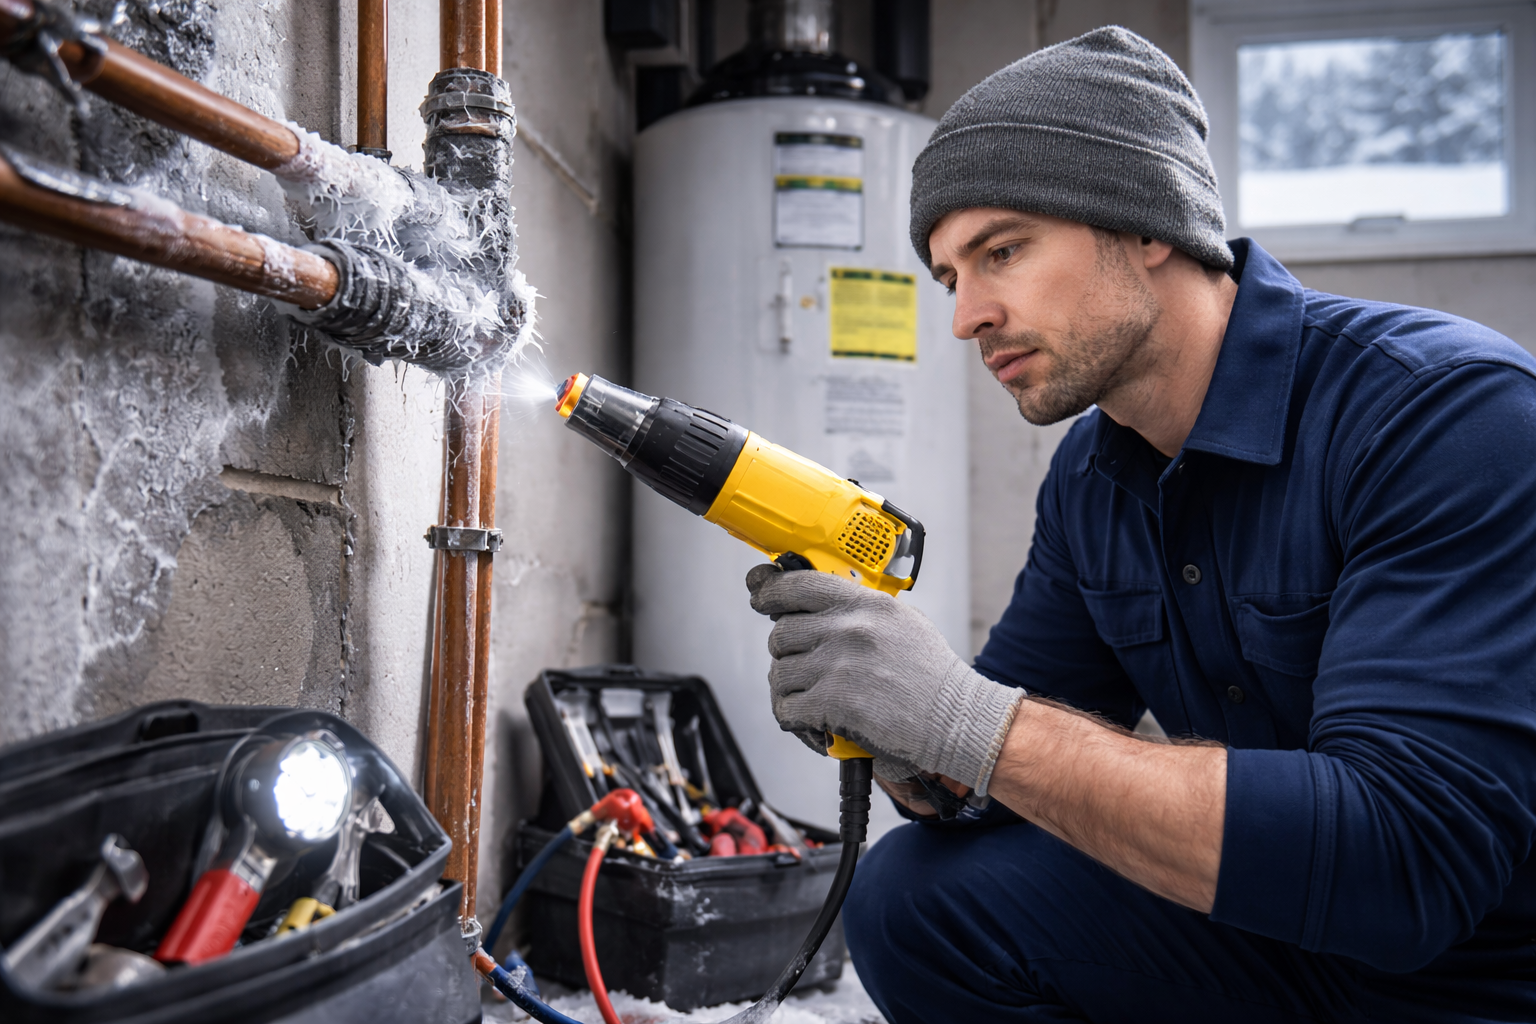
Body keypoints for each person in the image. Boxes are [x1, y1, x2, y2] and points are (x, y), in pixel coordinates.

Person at [744, 26, 1536, 1023]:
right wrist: (915, 747)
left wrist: (972, 722)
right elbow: (1012, 739)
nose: (967, 316)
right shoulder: (1092, 476)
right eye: (952, 277)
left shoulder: (1443, 412)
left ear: (1147, 221)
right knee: (915, 897)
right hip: (1273, 935)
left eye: (1003, 250)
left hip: (1481, 973)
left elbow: (1408, 866)